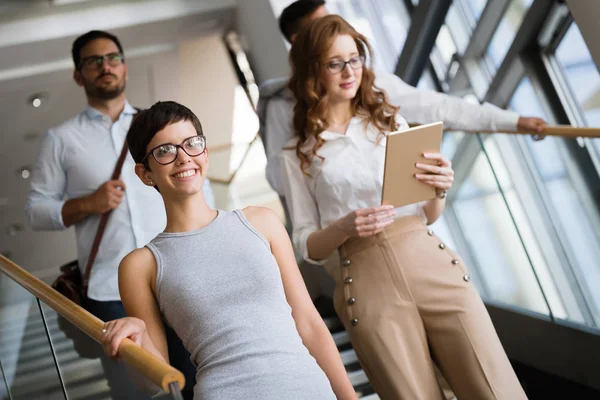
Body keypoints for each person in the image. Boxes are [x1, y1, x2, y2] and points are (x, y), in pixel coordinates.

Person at [281, 15, 528, 400]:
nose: (349, 71)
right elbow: (305, 244)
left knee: (493, 384)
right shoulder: (297, 154)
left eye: (355, 58)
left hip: (427, 258)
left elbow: (427, 214)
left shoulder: (390, 122)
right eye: (335, 62)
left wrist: (439, 189)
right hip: (364, 278)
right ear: (313, 69)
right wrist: (344, 227)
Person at [99, 101, 358, 400]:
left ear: (205, 154)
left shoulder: (262, 222)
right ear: (145, 174)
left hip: (309, 389)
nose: (183, 158)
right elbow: (154, 382)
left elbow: (309, 324)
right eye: (165, 151)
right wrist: (136, 337)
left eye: (191, 144)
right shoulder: (141, 265)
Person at [25, 30, 212, 399]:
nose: (105, 66)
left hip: (179, 273)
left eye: (112, 57)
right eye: (93, 61)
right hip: (110, 289)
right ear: (79, 75)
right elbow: (35, 212)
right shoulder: (61, 140)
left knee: (198, 373)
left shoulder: (158, 128)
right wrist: (87, 204)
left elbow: (199, 189)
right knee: (138, 390)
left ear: (124, 66)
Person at [260, 0, 546, 205]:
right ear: (300, 43)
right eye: (322, 29)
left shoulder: (367, 82)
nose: (336, 34)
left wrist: (512, 121)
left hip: (401, 216)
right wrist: (320, 150)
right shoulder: (282, 106)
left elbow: (438, 106)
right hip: (347, 235)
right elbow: (280, 179)